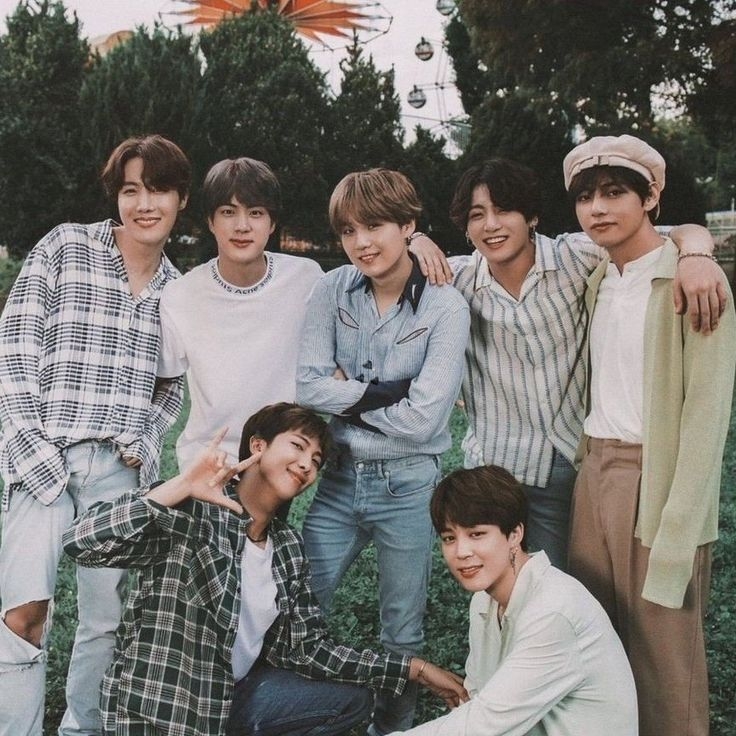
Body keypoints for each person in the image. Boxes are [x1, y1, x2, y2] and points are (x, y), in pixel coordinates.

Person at [62, 403, 467, 736]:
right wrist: (180, 486)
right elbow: (82, 541)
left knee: (351, 699)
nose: (306, 465)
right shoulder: (194, 511)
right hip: (166, 710)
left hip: (231, 701)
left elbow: (307, 648)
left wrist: (413, 668)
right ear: (257, 445)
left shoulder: (287, 547)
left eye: (316, 460)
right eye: (298, 447)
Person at [408, 158, 725, 571]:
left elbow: (666, 234)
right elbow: (382, 268)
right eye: (477, 215)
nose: (491, 225)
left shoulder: (576, 256)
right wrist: (416, 240)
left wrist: (697, 253)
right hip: (496, 467)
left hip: (571, 463)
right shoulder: (454, 280)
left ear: (532, 216)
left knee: (568, 585)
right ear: (466, 228)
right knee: (501, 587)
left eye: (504, 209)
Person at [0, 135, 190, 736]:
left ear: (181, 199)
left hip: (119, 474)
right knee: (22, 615)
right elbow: (13, 351)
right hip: (44, 457)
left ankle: (82, 728)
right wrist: (34, 452)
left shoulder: (180, 292)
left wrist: (146, 440)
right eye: (131, 190)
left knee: (105, 620)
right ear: (116, 195)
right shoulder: (65, 246)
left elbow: (171, 388)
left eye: (158, 190)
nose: (144, 204)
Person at [564, 134, 736, 736]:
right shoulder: (597, 278)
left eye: (614, 192)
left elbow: (708, 418)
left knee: (665, 656)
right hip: (594, 474)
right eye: (585, 197)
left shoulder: (693, 281)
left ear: (651, 198)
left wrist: (681, 520)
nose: (597, 209)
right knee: (600, 644)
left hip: (656, 477)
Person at [295, 168, 471, 734]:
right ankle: (294, 716)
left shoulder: (445, 307)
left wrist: (348, 394)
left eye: (374, 226)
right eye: (349, 231)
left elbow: (424, 420)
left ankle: (391, 730)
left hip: (409, 484)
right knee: (296, 603)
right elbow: (307, 386)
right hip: (338, 479)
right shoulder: (332, 289)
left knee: (402, 629)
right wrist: (389, 392)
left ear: (409, 225)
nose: (362, 243)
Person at [390, 464, 638, 735]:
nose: (461, 552)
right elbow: (477, 699)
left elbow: (485, 723)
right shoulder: (484, 601)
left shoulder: (553, 612)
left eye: (476, 534)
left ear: (515, 534)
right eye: (449, 538)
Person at [158, 157, 323, 470]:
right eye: (228, 212)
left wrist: (415, 241)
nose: (242, 226)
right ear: (210, 221)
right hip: (206, 461)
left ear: (272, 223)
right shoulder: (181, 294)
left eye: (256, 212)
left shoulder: (306, 279)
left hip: (278, 464)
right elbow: (161, 381)